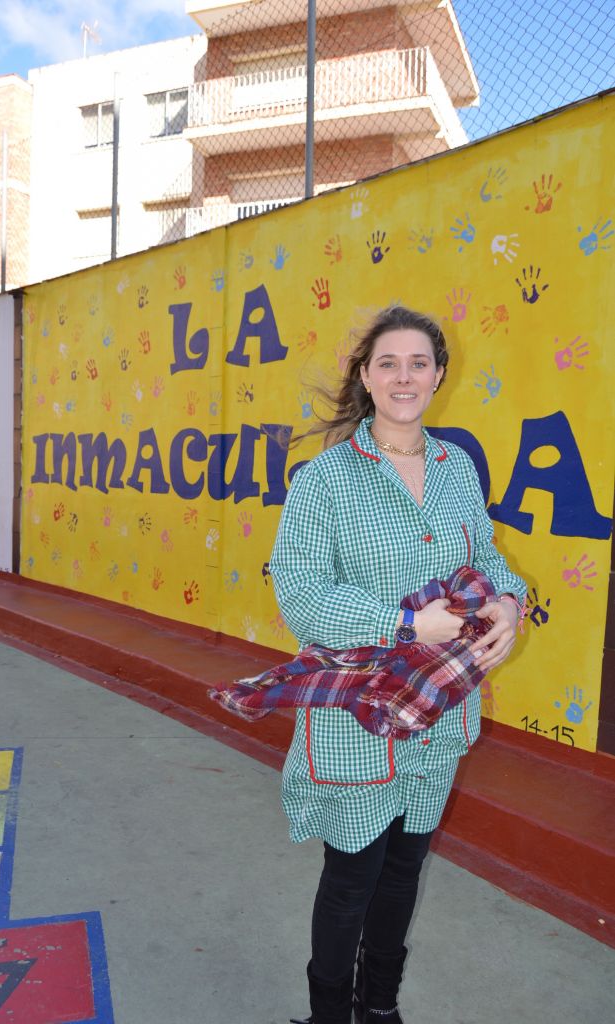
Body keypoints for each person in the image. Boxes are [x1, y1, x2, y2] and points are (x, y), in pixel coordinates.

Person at [269, 304, 526, 1024]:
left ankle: (378, 1008)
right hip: (358, 710)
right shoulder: (325, 480)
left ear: (438, 375)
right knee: (352, 876)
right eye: (388, 362)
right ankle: (328, 1017)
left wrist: (508, 603)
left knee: (405, 868)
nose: (403, 375)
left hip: (440, 709)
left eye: (418, 362)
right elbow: (300, 595)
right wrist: (404, 621)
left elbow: (486, 558)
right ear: (365, 376)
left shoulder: (455, 468)